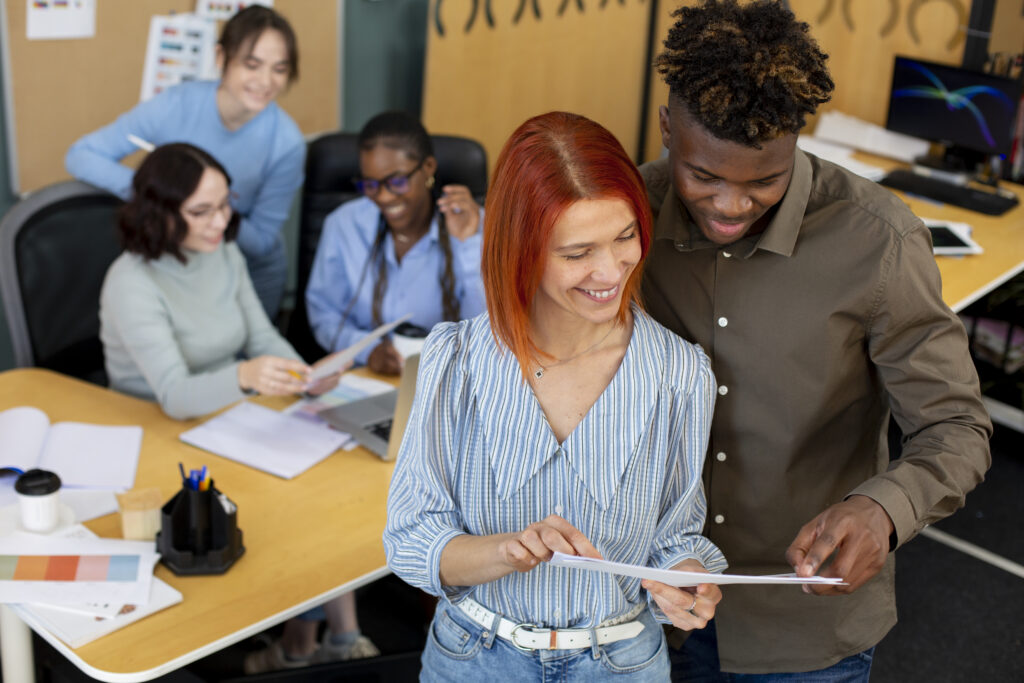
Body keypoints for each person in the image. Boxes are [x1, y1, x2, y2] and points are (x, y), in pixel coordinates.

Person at [641, 1, 993, 680]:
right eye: (704, 176)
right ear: (666, 131)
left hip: (803, 630)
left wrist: (883, 509)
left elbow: (957, 425)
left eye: (763, 181)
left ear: (798, 141)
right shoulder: (627, 218)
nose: (730, 205)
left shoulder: (878, 242)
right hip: (649, 609)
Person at [384, 111, 727, 681]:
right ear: (522, 250)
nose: (610, 270)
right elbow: (412, 539)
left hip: (619, 663)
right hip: (473, 658)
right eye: (577, 253)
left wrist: (686, 576)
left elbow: (675, 534)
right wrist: (505, 551)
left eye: (625, 237)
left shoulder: (680, 373)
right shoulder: (456, 362)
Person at [98, 142, 378, 673]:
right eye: (201, 212)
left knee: (329, 482)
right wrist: (247, 377)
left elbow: (261, 333)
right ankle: (322, 638)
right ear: (160, 214)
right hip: (159, 433)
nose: (221, 222)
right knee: (293, 506)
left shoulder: (222, 252)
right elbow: (176, 395)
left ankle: (332, 637)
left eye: (226, 205)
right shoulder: (130, 282)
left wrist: (308, 376)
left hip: (228, 415)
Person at [68, 5, 303, 319]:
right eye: (252, 64)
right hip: (176, 264)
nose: (265, 81)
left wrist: (210, 212)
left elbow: (261, 241)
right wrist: (164, 195)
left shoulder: (287, 143)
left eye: (279, 69)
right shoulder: (175, 105)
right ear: (221, 58)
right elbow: (81, 155)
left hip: (247, 271)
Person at [305, 111, 486, 376]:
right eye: (370, 184)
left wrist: (469, 244)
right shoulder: (343, 225)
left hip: (448, 379)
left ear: (428, 168)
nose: (384, 197)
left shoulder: (474, 226)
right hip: (364, 378)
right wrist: (368, 351)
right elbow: (325, 316)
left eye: (397, 182)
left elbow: (490, 331)